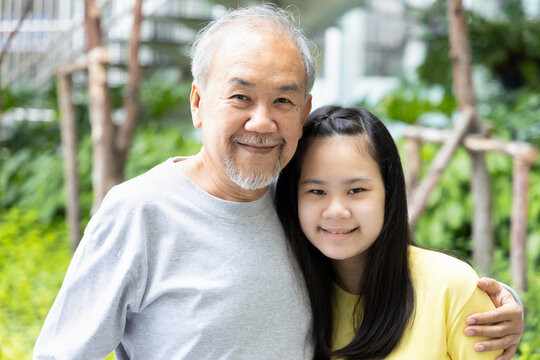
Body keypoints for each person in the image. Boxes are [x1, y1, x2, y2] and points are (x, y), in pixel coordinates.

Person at [34, 4, 522, 359]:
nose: (262, 122)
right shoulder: (140, 212)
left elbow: (392, 275)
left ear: (304, 110)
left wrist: (494, 308)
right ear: (198, 103)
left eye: (283, 101)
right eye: (241, 97)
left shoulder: (299, 200)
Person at [275, 105, 522, 359]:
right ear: (294, 199)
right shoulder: (290, 297)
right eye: (317, 191)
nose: (336, 211)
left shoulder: (452, 288)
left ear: (389, 192)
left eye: (356, 190)